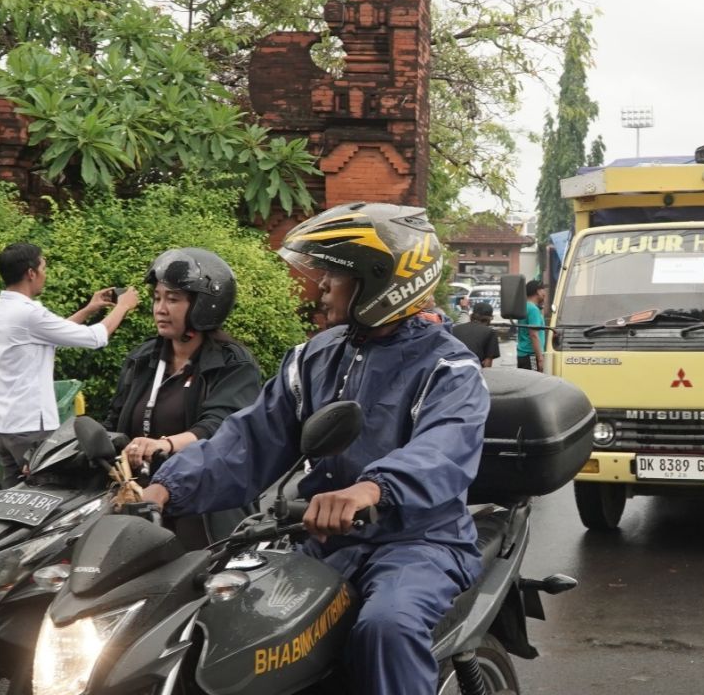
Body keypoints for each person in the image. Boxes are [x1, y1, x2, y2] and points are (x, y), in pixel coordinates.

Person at [140, 203, 489, 695]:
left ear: (382, 281)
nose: (320, 285)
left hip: (418, 543)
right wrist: (163, 489)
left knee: (386, 629)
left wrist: (371, 489)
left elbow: (443, 449)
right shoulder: (314, 357)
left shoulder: (449, 368)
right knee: (234, 628)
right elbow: (248, 440)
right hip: (320, 539)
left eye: (334, 275)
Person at [104, 248, 261, 548]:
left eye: (173, 299)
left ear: (204, 305)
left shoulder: (232, 364)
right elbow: (114, 421)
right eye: (157, 298)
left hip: (204, 509)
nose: (160, 309)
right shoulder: (144, 358)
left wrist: (165, 444)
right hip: (139, 506)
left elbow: (220, 428)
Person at [0, 242, 140, 487]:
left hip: (3, 426)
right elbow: (95, 338)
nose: (45, 274)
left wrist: (89, 309)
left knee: (11, 501)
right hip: (30, 427)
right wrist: (123, 306)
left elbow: (48, 335)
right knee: (43, 498)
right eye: (44, 267)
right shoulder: (28, 313)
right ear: (31, 273)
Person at [451, 301, 501, 367]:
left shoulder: (454, 329)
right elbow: (487, 362)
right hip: (474, 372)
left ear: (471, 315)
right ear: (489, 319)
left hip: (452, 371)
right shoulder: (490, 332)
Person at [515, 279, 547, 372]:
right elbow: (534, 334)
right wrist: (540, 358)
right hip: (531, 355)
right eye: (543, 290)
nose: (544, 293)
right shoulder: (533, 309)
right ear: (538, 291)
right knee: (535, 384)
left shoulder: (524, 306)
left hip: (523, 355)